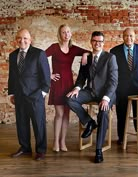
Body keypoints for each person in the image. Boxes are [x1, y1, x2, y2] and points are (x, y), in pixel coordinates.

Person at [66, 31, 118, 163]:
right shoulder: (87, 58)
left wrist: (106, 98)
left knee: (103, 113)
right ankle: (89, 122)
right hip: (90, 91)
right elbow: (81, 77)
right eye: (95, 41)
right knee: (69, 98)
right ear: (91, 41)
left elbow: (113, 81)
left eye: (100, 41)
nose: (97, 44)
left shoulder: (110, 57)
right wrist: (77, 88)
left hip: (106, 93)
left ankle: (98, 150)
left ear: (103, 43)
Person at [45, 24, 89, 152]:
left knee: (66, 114)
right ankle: (55, 142)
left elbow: (91, 52)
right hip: (58, 84)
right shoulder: (54, 47)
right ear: (60, 34)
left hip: (69, 84)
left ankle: (63, 142)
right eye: (63, 32)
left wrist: (85, 54)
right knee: (59, 114)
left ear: (71, 34)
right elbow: (39, 57)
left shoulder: (73, 49)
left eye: (68, 32)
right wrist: (48, 75)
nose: (66, 34)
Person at [8, 29, 51, 160]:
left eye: (25, 38)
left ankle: (41, 150)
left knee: (39, 124)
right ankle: (25, 148)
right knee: (21, 123)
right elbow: (12, 76)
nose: (22, 41)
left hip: (35, 96)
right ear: (16, 39)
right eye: (19, 38)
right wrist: (11, 93)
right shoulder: (13, 55)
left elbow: (46, 76)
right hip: (19, 96)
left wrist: (42, 93)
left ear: (30, 39)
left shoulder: (39, 54)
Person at [110, 28, 138, 146]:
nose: (129, 38)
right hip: (122, 88)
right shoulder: (114, 51)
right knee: (122, 113)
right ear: (123, 37)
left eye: (131, 36)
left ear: (135, 37)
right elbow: (113, 71)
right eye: (126, 36)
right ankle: (122, 137)